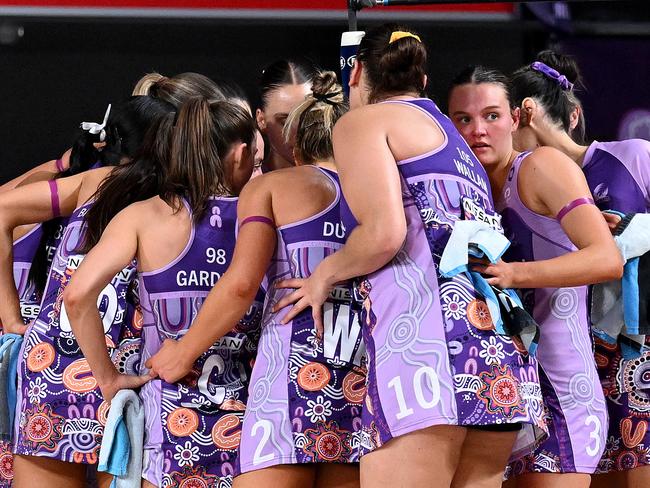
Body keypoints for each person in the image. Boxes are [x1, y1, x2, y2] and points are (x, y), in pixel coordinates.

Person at [264, 24, 547, 488]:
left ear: (356, 72)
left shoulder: (363, 121)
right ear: (424, 80)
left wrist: (323, 276)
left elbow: (383, 233)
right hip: (499, 351)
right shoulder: (453, 137)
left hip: (431, 350)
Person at [145, 71, 364, 488]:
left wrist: (184, 352)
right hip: (359, 375)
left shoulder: (272, 188)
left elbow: (242, 285)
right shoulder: (379, 196)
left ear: (295, 145)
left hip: (290, 378)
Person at [64, 95, 263, 488]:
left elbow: (76, 296)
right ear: (240, 155)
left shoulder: (145, 216)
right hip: (250, 425)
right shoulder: (262, 218)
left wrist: (107, 377)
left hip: (170, 427)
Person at [448, 65, 623, 488]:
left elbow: (605, 259)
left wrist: (515, 273)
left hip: (561, 394)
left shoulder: (540, 166)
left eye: (491, 116)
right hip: (501, 398)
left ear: (515, 118)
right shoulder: (464, 188)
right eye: (464, 119)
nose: (479, 130)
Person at [0, 96, 175, 488]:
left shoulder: (92, 182)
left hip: (52, 368)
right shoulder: (168, 202)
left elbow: (1, 209)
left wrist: (13, 320)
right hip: (118, 373)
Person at [508, 50, 650, 488]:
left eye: (502, 117)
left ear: (524, 113)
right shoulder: (515, 182)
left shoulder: (632, 155)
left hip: (631, 353)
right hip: (563, 359)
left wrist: (625, 232)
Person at [255, 59, 314, 172]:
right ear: (261, 120)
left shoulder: (342, 178)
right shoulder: (251, 184)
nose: (300, 132)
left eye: (309, 118)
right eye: (286, 121)